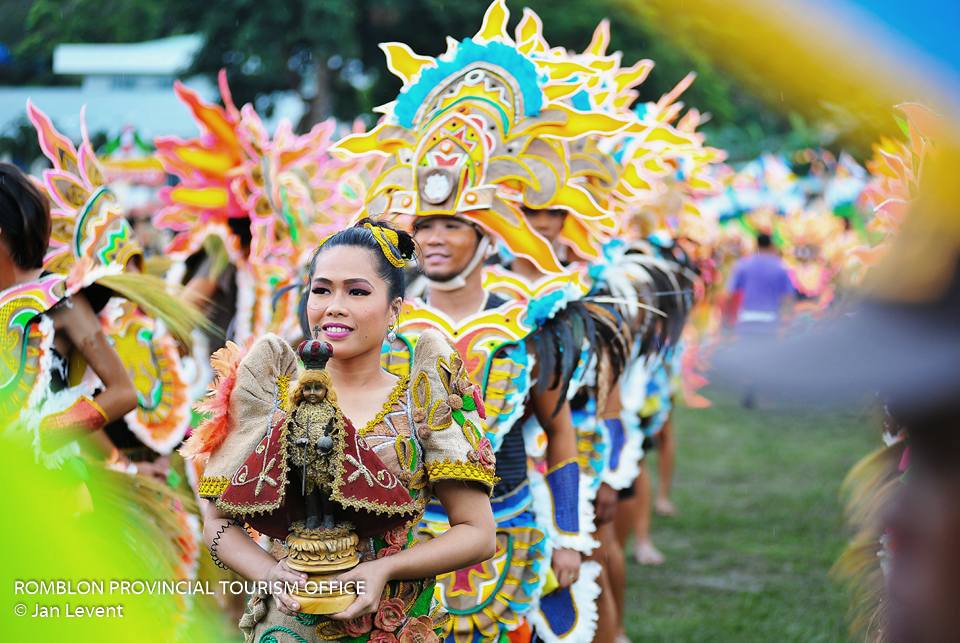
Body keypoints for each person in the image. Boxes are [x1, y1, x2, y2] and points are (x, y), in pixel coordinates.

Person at [188, 221, 497, 642]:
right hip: (288, 626)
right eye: (322, 290)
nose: (334, 305)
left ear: (394, 310)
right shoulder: (271, 390)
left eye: (357, 291)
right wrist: (270, 572)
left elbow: (478, 534)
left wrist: (382, 569)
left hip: (392, 624)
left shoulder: (420, 396)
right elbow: (218, 523)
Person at [727, 232, 795, 335]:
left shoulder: (743, 265)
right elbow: (788, 296)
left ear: (757, 244)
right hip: (770, 319)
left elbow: (731, 294)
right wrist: (787, 321)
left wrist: (729, 321)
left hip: (747, 318)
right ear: (771, 245)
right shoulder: (780, 267)